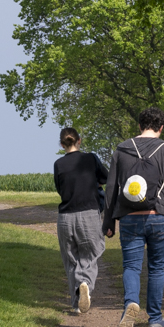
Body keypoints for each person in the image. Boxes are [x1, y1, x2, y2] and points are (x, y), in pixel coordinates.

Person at [103, 107, 164, 327]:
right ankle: (155, 318)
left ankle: (130, 305)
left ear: (139, 126)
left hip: (129, 218)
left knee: (131, 266)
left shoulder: (121, 150)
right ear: (161, 127)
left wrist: (108, 221)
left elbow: (110, 188)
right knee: (156, 266)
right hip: (159, 216)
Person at [53, 127, 109, 315]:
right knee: (91, 253)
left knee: (71, 259)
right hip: (88, 213)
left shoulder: (58, 164)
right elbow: (105, 178)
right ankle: (85, 283)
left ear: (62, 145)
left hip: (65, 217)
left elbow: (60, 189)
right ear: (80, 141)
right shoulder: (90, 159)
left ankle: (77, 302)